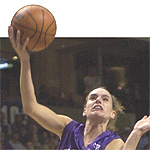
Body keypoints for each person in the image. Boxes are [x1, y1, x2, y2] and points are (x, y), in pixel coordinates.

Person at [8, 26, 150, 150]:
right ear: (84, 110)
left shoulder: (112, 142)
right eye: (93, 98)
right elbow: (31, 107)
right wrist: (25, 60)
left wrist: (136, 132)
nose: (98, 101)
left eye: (105, 99)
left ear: (112, 113)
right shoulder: (68, 129)